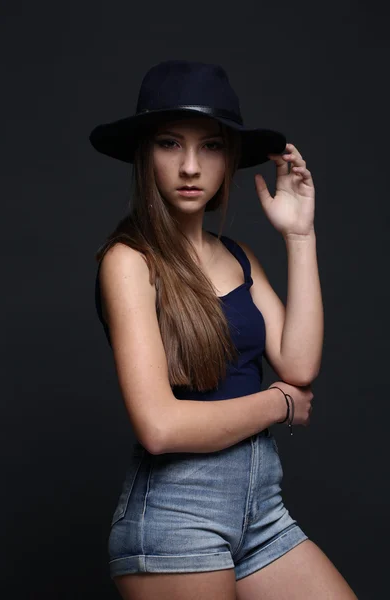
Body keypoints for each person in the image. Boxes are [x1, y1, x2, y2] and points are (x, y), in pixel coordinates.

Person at [90, 60, 357, 599]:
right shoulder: (129, 261)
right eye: (169, 144)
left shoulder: (238, 256)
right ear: (145, 155)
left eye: (209, 146)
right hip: (176, 515)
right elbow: (159, 427)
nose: (190, 166)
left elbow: (299, 362)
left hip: (261, 510)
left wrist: (300, 237)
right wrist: (278, 404)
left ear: (229, 158)